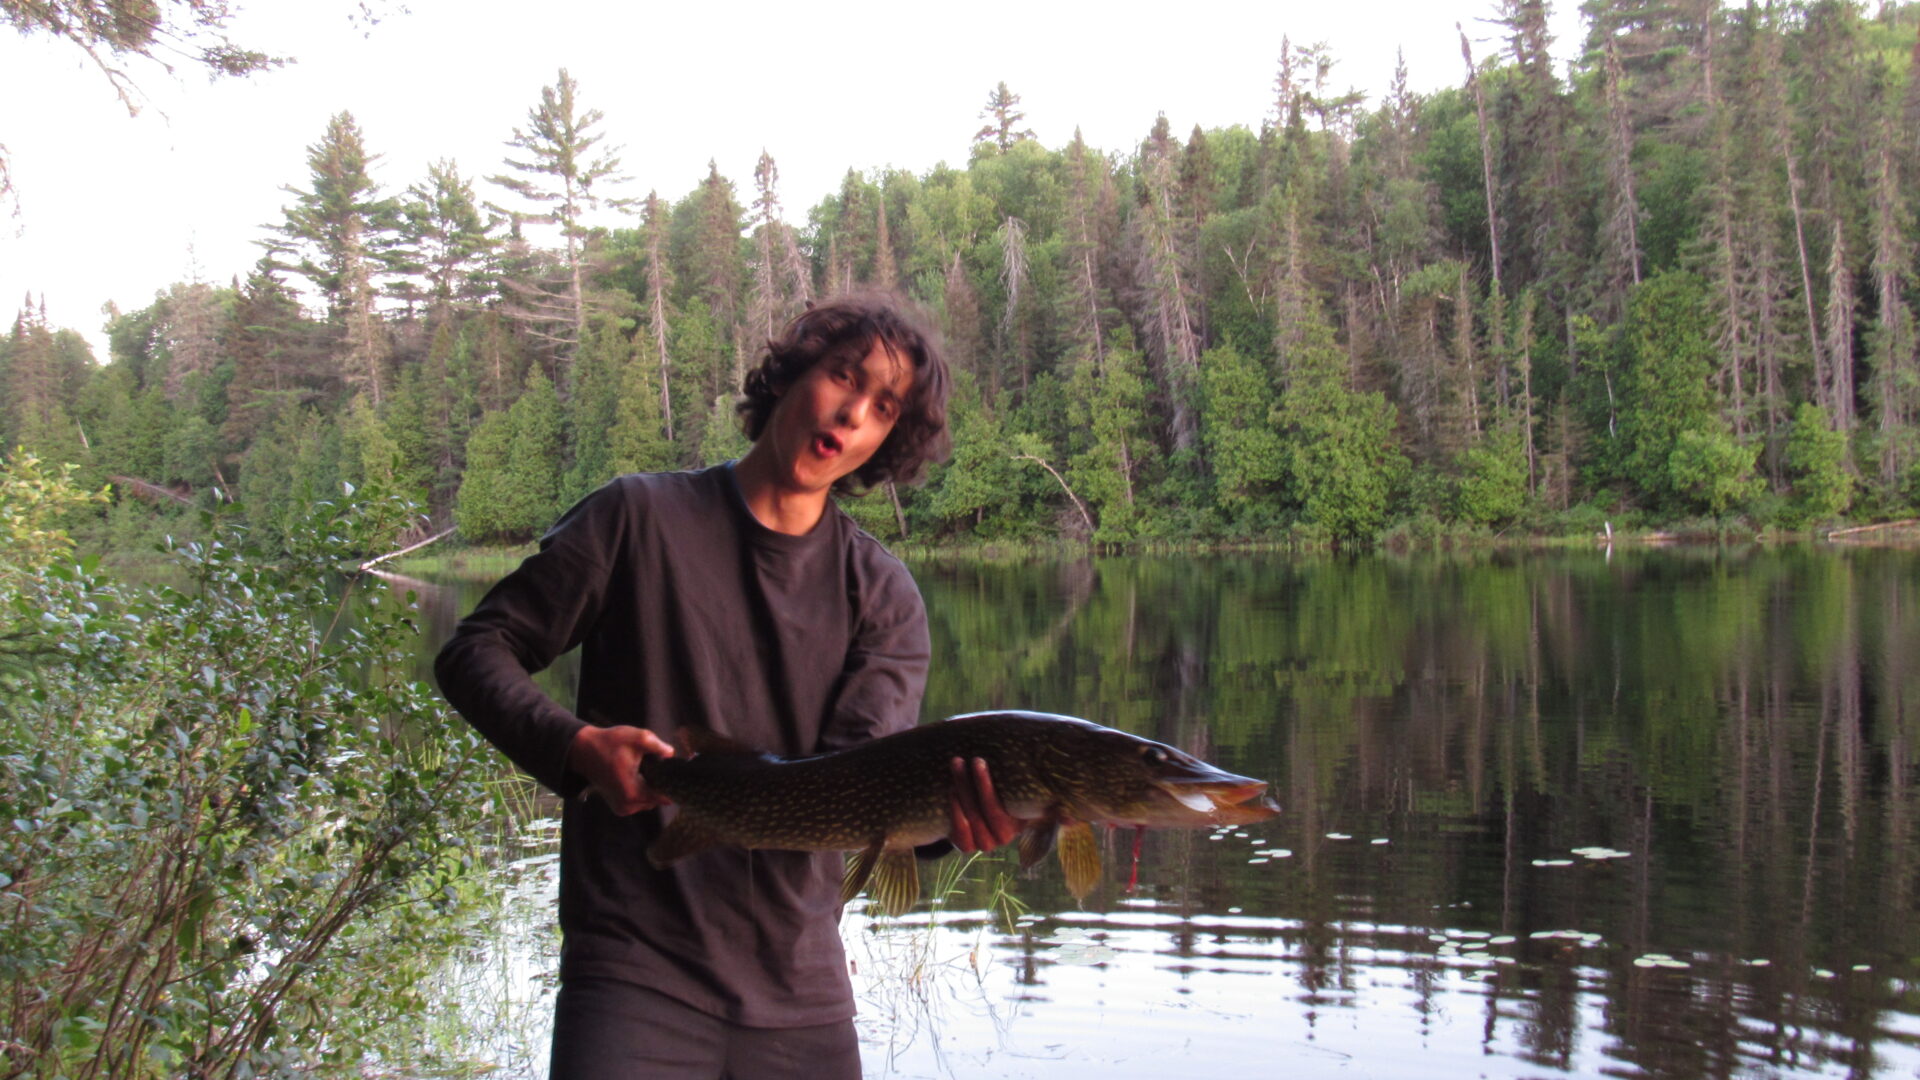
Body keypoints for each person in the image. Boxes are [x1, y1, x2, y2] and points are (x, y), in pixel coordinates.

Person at [434, 291, 1019, 1079]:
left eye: (881, 408)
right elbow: (476, 650)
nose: (850, 412)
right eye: (842, 375)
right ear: (789, 377)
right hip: (632, 978)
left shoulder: (883, 596)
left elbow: (865, 782)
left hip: (804, 995)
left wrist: (951, 821)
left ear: (885, 441)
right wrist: (575, 747)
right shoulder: (634, 519)